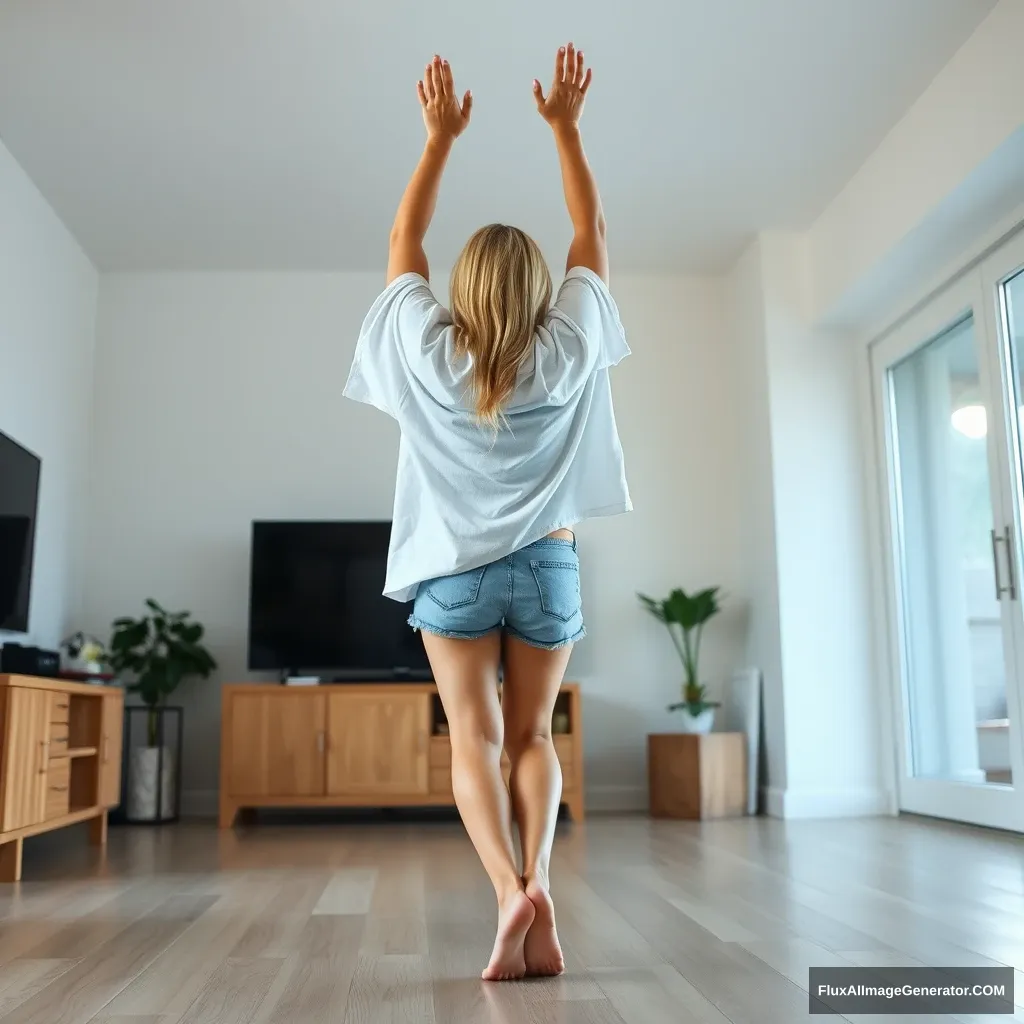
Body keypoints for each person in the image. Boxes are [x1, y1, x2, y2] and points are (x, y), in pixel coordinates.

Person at [344, 43, 631, 981]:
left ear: (461, 292)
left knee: (470, 735)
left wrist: (437, 141)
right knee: (536, 736)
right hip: (548, 564)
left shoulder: (429, 352)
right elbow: (589, 225)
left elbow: (402, 244)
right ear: (541, 291)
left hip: (455, 573)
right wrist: (566, 127)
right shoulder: (569, 347)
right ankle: (542, 873)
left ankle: (508, 890)